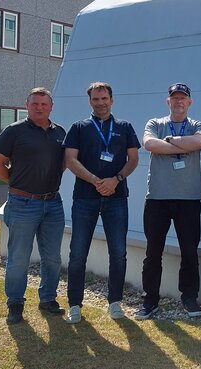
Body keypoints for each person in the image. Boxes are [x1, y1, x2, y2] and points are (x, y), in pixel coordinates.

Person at [0, 87, 67, 325]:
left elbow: (62, 164)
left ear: (51, 107)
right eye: (35, 104)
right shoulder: (14, 131)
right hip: (22, 203)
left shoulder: (59, 132)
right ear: (27, 105)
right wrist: (15, 182)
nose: (39, 107)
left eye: (44, 104)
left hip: (52, 203)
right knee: (19, 258)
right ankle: (15, 304)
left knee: (52, 257)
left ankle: (48, 299)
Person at [62, 82, 140, 324]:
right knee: (78, 253)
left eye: (104, 98)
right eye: (95, 99)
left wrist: (115, 180)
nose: (100, 102)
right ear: (90, 101)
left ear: (112, 100)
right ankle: (74, 305)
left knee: (118, 252)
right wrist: (97, 181)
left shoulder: (124, 127)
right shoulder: (78, 127)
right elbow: (70, 160)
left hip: (116, 198)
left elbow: (133, 159)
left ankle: (115, 302)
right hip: (85, 198)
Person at [136, 83, 201, 320]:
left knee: (189, 251)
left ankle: (189, 298)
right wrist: (179, 143)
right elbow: (149, 144)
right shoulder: (154, 124)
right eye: (174, 98)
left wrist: (167, 141)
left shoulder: (197, 125)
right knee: (152, 252)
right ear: (168, 102)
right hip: (158, 198)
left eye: (183, 98)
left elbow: (199, 143)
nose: (178, 101)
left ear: (189, 102)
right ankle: (150, 300)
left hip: (188, 199)